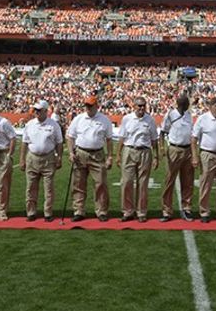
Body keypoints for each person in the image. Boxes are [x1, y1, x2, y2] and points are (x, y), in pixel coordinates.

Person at [66, 94, 115, 222]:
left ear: (96, 106)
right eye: (86, 105)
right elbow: (70, 136)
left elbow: (109, 140)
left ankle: (101, 211)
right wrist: (71, 152)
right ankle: (78, 211)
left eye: (90, 106)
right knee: (78, 184)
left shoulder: (104, 120)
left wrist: (110, 157)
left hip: (97, 154)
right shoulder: (78, 119)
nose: (88, 108)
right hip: (80, 153)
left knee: (101, 183)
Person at [116, 98, 160, 222]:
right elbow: (121, 137)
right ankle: (127, 211)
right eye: (139, 106)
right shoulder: (127, 119)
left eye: (143, 106)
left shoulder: (150, 119)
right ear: (134, 106)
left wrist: (156, 156)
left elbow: (154, 139)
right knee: (127, 182)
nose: (141, 108)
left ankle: (141, 212)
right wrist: (118, 154)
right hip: (129, 150)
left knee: (143, 184)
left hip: (145, 151)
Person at [21, 101, 63, 222]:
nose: (37, 113)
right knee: (30, 187)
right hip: (32, 157)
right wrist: (22, 159)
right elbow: (25, 142)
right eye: (35, 110)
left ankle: (48, 213)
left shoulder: (54, 125)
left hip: (48, 158)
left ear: (46, 111)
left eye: (39, 110)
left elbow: (59, 142)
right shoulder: (29, 124)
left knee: (48, 187)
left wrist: (59, 158)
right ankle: (31, 212)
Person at [192, 97, 216, 223]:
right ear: (210, 106)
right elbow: (194, 139)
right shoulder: (203, 119)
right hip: (208, 154)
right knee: (205, 184)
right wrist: (195, 156)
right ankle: (204, 212)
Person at [159, 91, 196, 222]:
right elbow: (162, 132)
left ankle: (187, 208)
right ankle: (166, 210)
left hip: (187, 150)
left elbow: (192, 134)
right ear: (182, 104)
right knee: (169, 181)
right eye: (186, 103)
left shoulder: (188, 115)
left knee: (188, 181)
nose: (188, 105)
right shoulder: (170, 114)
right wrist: (163, 148)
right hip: (174, 148)